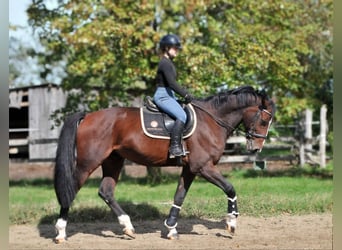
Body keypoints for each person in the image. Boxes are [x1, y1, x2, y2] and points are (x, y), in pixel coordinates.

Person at [153, 34, 193, 157]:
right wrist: (185, 94)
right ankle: (174, 147)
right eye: (174, 48)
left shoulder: (169, 63)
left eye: (177, 48)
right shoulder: (164, 63)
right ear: (166, 48)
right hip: (163, 96)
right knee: (181, 115)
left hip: (169, 95)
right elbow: (171, 83)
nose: (177, 50)